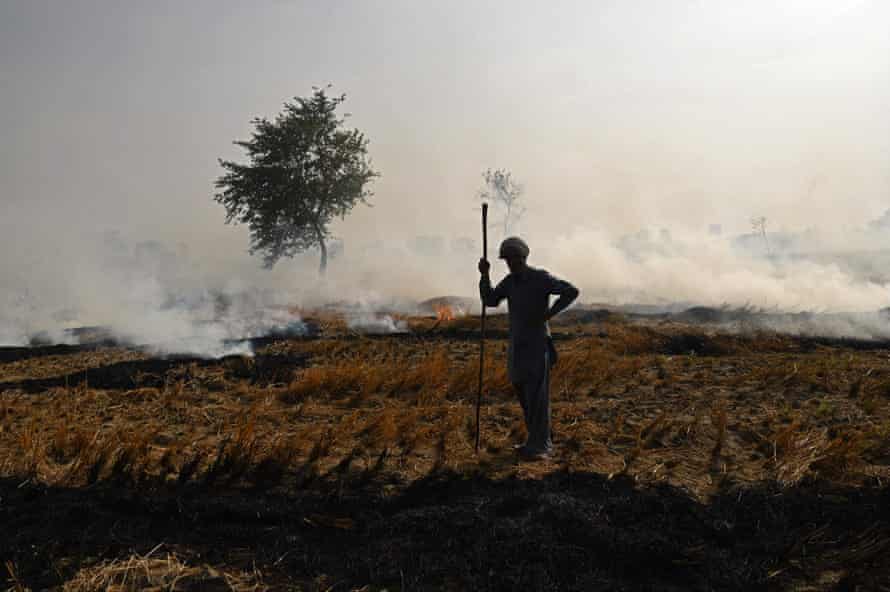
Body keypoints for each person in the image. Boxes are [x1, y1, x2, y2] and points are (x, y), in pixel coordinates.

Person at [479, 237, 579, 460]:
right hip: (517, 344)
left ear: (524, 257)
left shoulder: (540, 278)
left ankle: (542, 446)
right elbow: (491, 300)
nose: (511, 263)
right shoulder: (510, 282)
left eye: (514, 259)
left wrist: (548, 315)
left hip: (536, 344)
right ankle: (533, 441)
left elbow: (571, 291)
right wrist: (484, 275)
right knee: (522, 390)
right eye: (507, 260)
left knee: (537, 396)